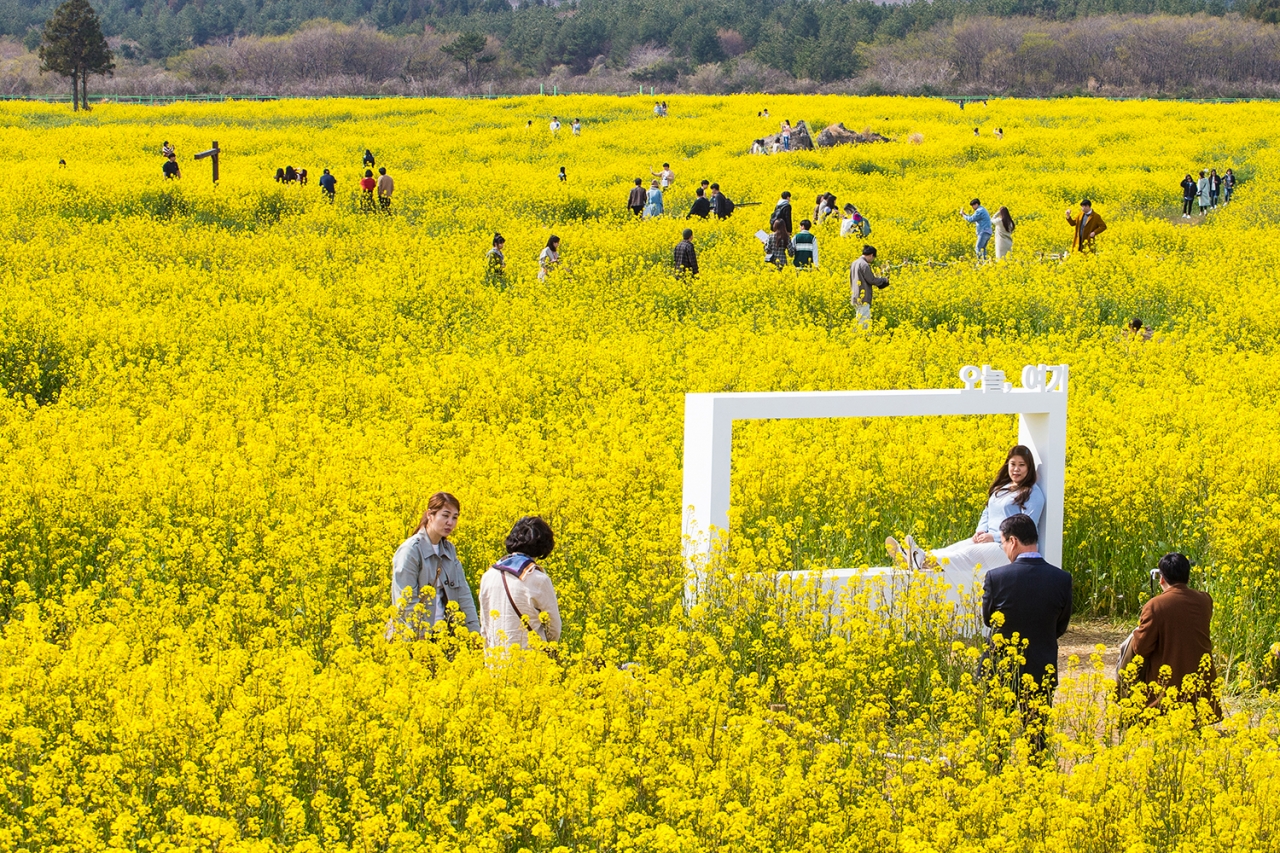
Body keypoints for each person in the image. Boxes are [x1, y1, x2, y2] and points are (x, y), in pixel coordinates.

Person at [888, 445, 1046, 577]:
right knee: (954, 548)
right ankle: (918, 557)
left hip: (1009, 547)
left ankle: (919, 560)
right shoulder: (1003, 488)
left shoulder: (1033, 493)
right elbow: (987, 511)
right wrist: (980, 531)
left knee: (966, 555)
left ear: (1029, 467)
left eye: (1022, 465)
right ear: (1007, 465)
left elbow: (1027, 528)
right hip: (988, 539)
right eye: (1013, 464)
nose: (1016, 469)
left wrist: (994, 536)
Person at [1117, 552, 1220, 719]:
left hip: (1167, 690)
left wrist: (1136, 634)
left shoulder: (1155, 605)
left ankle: (1127, 703)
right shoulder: (1205, 600)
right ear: (1187, 576)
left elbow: (1141, 648)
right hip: (1200, 693)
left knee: (1130, 643)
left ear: (1161, 579)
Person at [981, 513, 1073, 697]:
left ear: (1013, 541)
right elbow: (1060, 625)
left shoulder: (996, 578)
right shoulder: (1062, 579)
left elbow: (989, 619)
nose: (1003, 548)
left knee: (997, 723)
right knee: (1037, 724)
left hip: (1002, 666)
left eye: (1003, 543)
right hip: (1041, 669)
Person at [387, 492, 480, 639]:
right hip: (413, 638)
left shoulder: (449, 550)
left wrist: (475, 634)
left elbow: (463, 593)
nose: (450, 522)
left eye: (454, 517)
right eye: (445, 515)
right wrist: (421, 637)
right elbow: (406, 600)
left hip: (443, 635)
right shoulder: (411, 550)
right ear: (430, 515)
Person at [478, 516, 562, 649]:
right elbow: (554, 628)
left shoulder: (488, 575)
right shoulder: (539, 580)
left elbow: (485, 623)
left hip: (495, 659)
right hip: (531, 660)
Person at [849, 244, 888, 328]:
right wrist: (884, 280)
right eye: (873, 258)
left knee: (859, 319)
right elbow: (871, 280)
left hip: (855, 295)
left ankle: (858, 337)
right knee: (864, 323)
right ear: (871, 255)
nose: (873, 260)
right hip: (863, 297)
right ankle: (864, 338)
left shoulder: (854, 263)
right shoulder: (864, 264)